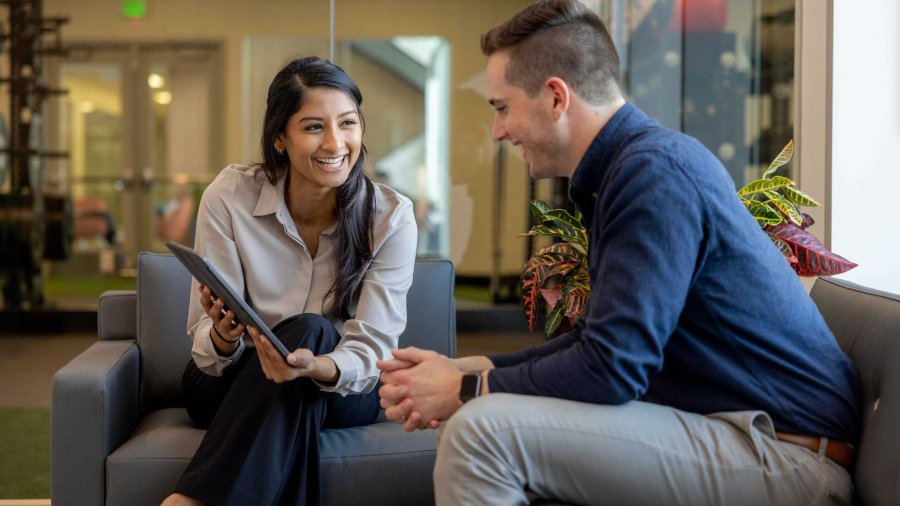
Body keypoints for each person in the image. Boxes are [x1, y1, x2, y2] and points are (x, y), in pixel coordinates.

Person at [377, 1, 860, 505]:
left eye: (501, 107)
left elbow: (612, 368)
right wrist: (471, 368)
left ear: (556, 97)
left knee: (479, 431)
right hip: (742, 435)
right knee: (478, 418)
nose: (498, 131)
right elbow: (597, 341)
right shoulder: (630, 168)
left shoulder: (652, 174)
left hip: (786, 457)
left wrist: (469, 390)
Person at [162, 56, 417, 506]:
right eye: (314, 127)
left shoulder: (390, 218)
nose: (336, 142)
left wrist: (316, 366)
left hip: (339, 384)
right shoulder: (230, 195)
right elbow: (205, 348)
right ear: (280, 138)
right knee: (293, 370)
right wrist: (223, 335)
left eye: (348, 123)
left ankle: (191, 501)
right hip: (229, 375)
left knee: (314, 333)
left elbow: (373, 346)